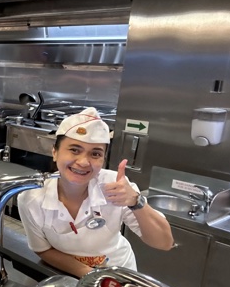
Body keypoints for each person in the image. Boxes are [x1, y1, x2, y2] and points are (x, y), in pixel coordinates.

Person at [17, 107, 174, 278]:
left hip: (119, 276)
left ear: (103, 160)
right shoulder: (31, 198)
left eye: (95, 154)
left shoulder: (115, 186)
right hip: (69, 276)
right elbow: (43, 249)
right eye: (74, 150)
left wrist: (136, 202)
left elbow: (164, 242)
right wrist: (90, 275)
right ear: (54, 152)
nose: (84, 162)